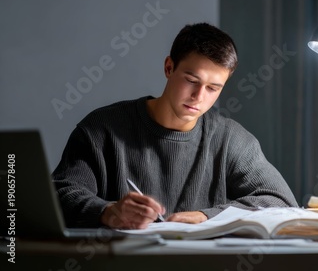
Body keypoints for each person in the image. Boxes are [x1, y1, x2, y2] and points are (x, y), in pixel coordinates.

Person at [52, 22, 298, 229]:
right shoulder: (102, 128)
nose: (199, 96)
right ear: (169, 67)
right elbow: (58, 193)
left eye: (213, 88)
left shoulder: (231, 140)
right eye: (191, 80)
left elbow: (281, 201)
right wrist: (108, 211)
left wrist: (207, 217)